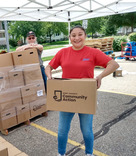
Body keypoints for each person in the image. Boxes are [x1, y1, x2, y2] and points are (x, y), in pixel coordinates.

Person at [45, 25, 119, 156]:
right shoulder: (63, 52)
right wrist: (49, 77)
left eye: (80, 34)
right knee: (62, 130)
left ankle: (89, 153)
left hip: (85, 97)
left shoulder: (93, 52)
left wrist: (100, 76)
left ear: (85, 36)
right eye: (73, 35)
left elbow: (113, 64)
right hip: (67, 97)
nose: (77, 38)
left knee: (86, 131)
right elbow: (49, 67)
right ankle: (61, 153)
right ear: (70, 38)